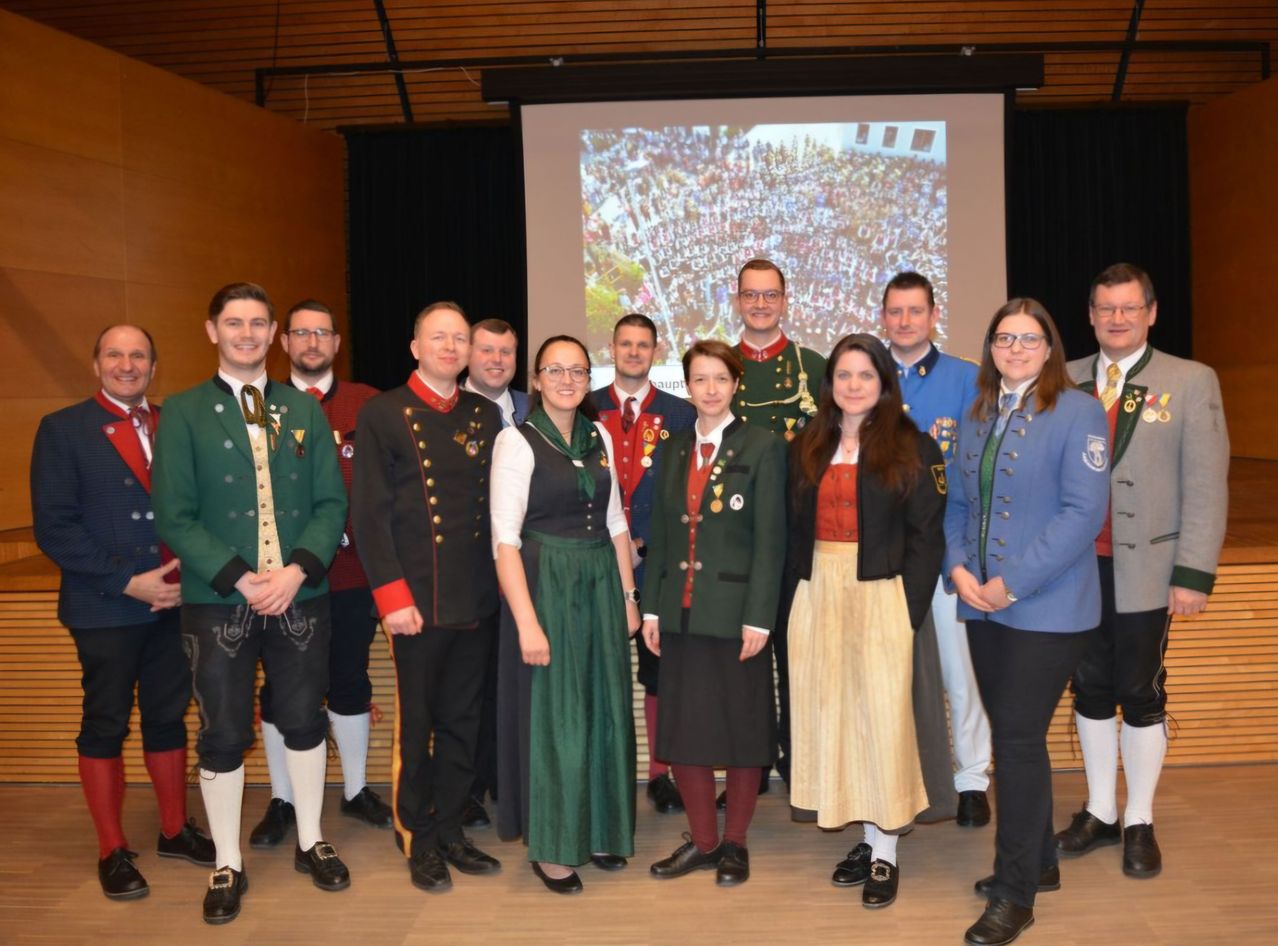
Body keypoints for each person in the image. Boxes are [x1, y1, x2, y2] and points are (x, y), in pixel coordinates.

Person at [152, 283, 350, 924]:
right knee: (222, 732)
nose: (246, 333)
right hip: (218, 600)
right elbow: (175, 516)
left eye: (258, 323)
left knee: (302, 720)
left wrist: (296, 571)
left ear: (273, 335)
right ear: (212, 331)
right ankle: (227, 862)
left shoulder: (303, 409)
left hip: (301, 594)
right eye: (233, 323)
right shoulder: (180, 413)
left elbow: (330, 504)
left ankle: (312, 840)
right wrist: (241, 577)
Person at [944, 299, 1110, 946]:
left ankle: (1014, 894)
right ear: (990, 347)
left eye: (1029, 338)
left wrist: (1012, 584)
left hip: (1048, 609)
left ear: (1050, 349)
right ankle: (1040, 862)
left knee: (1013, 742)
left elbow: (1081, 514)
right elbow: (957, 503)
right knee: (1019, 739)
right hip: (980, 604)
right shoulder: (979, 412)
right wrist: (959, 573)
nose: (1015, 348)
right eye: (1004, 337)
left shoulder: (1079, 412)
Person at [1055, 263, 1229, 879]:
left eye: (1129, 308)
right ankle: (1101, 811)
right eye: (1106, 308)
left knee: (1141, 690)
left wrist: (1193, 573)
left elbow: (1206, 486)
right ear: (1092, 315)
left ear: (1151, 313)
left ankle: (1140, 820)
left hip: (1150, 570)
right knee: (1091, 687)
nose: (1117, 318)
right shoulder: (1064, 378)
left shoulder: (1191, 380)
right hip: (1075, 571)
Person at [31, 325, 215, 901]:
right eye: (115, 354)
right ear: (96, 364)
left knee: (168, 716)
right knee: (105, 722)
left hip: (176, 604)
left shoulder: (178, 423)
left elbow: (204, 508)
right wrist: (128, 582)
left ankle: (172, 831)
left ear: (154, 368)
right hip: (106, 605)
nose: (127, 365)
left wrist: (190, 575)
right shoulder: (63, 430)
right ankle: (112, 849)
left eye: (139, 356)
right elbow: (54, 528)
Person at [784, 333, 947, 909]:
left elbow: (928, 537)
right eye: (844, 376)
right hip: (819, 592)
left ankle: (886, 852)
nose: (854, 386)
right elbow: (791, 531)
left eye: (866, 376)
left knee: (881, 721)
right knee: (835, 717)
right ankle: (863, 834)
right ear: (830, 384)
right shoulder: (806, 444)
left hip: (883, 593)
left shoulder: (914, 447)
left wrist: (909, 609)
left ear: (884, 384)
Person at [351, 301, 503, 892]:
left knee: (464, 722)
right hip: (415, 602)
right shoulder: (383, 413)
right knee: (418, 725)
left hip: (475, 597)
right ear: (415, 346)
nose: (450, 347)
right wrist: (391, 597)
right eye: (438, 337)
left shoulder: (483, 414)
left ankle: (450, 829)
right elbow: (370, 514)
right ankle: (417, 836)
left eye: (459, 339)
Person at [491, 335, 640, 894]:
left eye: (577, 370)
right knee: (558, 719)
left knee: (603, 709)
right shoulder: (517, 442)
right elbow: (504, 541)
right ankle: (554, 846)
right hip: (546, 585)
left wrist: (629, 598)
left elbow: (617, 521)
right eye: (555, 369)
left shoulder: (598, 433)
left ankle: (600, 829)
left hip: (601, 581)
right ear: (537, 376)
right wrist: (527, 621)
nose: (567, 379)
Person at [641, 340, 786, 887]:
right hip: (679, 614)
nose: (710, 389)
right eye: (699, 379)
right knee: (687, 732)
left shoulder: (764, 445)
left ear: (735, 384)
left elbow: (771, 539)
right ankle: (703, 841)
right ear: (688, 385)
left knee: (745, 733)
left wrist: (760, 618)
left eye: (720, 379)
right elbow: (661, 533)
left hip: (737, 617)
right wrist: (651, 606)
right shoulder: (674, 447)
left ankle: (736, 844)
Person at [248, 300, 392, 851]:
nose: (312, 342)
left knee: (350, 681)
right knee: (281, 688)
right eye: (302, 333)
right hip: (279, 581)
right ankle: (282, 798)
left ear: (336, 343)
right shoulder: (260, 405)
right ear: (285, 341)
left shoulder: (368, 404)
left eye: (322, 333)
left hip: (353, 577)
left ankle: (355, 791)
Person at [881, 272, 993, 827]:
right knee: (892, 675)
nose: (905, 321)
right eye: (895, 312)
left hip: (948, 549)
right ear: (883, 317)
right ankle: (905, 778)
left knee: (958, 670)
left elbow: (977, 476)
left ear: (933, 314)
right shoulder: (865, 378)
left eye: (915, 311)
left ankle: (972, 777)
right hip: (881, 556)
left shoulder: (968, 381)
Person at [591, 313, 696, 815]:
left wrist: (644, 541)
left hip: (656, 561)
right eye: (625, 344)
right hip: (594, 560)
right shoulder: (584, 406)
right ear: (611, 347)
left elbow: (684, 490)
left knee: (661, 671)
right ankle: (604, 769)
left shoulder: (680, 414)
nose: (634, 352)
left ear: (656, 351)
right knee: (599, 670)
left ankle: (661, 774)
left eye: (643, 345)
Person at [731, 257, 827, 793]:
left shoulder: (814, 366)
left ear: (785, 299)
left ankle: (801, 763)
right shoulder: (721, 365)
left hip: (798, 539)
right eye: (751, 295)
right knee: (741, 662)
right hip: (735, 540)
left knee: (798, 658)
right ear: (738, 299)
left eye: (770, 295)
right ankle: (749, 766)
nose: (761, 304)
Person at [459, 317, 529, 829]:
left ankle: (511, 780)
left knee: (516, 679)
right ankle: (469, 786)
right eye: (487, 350)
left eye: (506, 351)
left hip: (530, 569)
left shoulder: (534, 408)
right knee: (472, 686)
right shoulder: (447, 412)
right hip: (469, 570)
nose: (497, 360)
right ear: (468, 354)